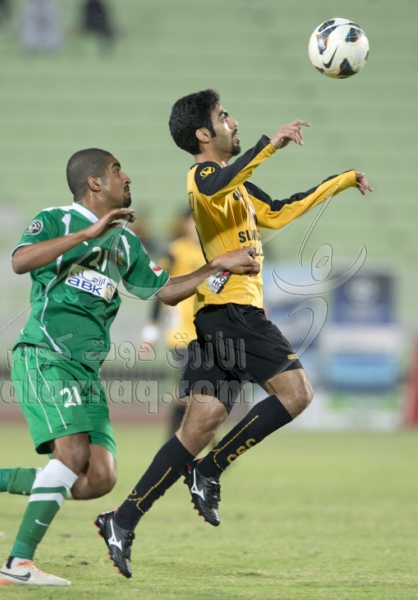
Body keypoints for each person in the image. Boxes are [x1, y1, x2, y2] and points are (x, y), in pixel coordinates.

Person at [95, 89, 373, 578]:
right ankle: (211, 468)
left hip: (217, 316)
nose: (233, 121)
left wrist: (341, 180)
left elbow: (280, 211)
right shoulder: (203, 177)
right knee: (297, 393)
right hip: (234, 313)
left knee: (199, 425)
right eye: (224, 116)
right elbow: (221, 182)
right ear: (204, 134)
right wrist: (271, 145)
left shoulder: (238, 187)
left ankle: (122, 519)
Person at [0, 147, 259, 586]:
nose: (127, 177)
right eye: (118, 170)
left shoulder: (124, 242)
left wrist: (216, 266)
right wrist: (88, 233)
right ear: (95, 182)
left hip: (86, 371)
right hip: (46, 355)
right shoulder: (57, 219)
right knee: (72, 456)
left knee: (100, 478)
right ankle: (17, 564)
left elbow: (165, 291)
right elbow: (20, 261)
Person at [140, 210, 205, 436]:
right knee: (193, 386)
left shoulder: (214, 252)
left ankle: (179, 441)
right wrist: (151, 331)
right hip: (181, 333)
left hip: (208, 331)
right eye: (193, 222)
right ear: (185, 224)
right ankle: (193, 441)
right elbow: (159, 287)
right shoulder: (175, 251)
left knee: (196, 389)